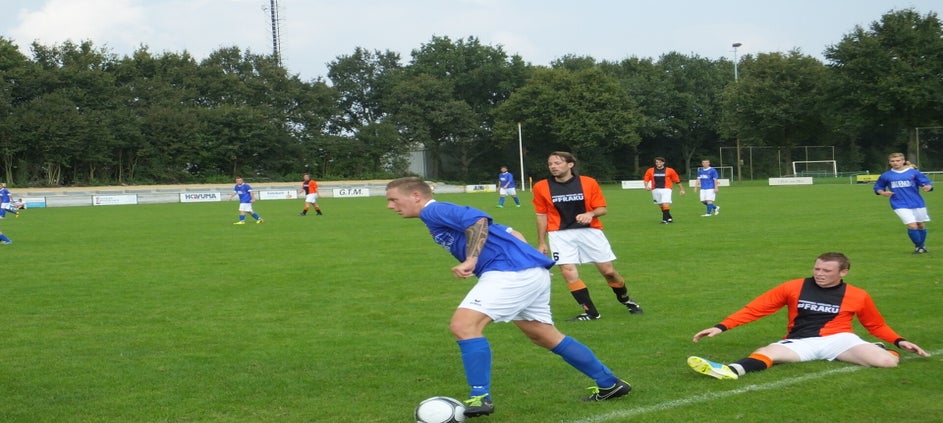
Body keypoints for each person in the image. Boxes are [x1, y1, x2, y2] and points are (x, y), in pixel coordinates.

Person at [385, 176, 632, 418]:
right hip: (525, 271)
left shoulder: (433, 210)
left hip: (508, 272)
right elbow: (513, 232)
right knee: (542, 334)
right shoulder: (433, 215)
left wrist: (471, 259)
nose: (390, 206)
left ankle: (480, 396)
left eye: (394, 199)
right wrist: (530, 263)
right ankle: (609, 383)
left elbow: (478, 220)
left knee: (463, 326)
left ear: (415, 196)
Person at [687, 252, 930, 380]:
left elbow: (875, 324)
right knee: (768, 352)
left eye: (827, 270)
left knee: (886, 363)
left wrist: (899, 341)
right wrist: (721, 326)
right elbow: (757, 308)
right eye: (816, 268)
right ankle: (730, 370)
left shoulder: (857, 295)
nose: (819, 273)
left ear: (843, 272)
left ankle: (879, 350)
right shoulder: (794, 287)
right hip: (801, 342)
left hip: (840, 340)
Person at [532, 151, 643, 321]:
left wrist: (590, 214)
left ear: (570, 164)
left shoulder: (588, 182)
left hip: (590, 231)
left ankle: (626, 299)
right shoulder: (541, 186)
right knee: (568, 272)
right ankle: (591, 312)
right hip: (559, 234)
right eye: (550, 164)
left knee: (608, 271)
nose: (553, 166)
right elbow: (541, 215)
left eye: (557, 163)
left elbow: (602, 209)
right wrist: (541, 241)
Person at [874, 152, 933, 254]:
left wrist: (928, 187)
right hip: (899, 204)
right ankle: (919, 247)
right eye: (892, 161)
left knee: (920, 225)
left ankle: (921, 247)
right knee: (912, 226)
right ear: (889, 162)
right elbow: (878, 187)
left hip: (917, 202)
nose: (895, 163)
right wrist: (883, 192)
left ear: (903, 161)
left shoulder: (914, 173)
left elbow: (926, 183)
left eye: (898, 160)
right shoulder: (886, 175)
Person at [643, 157, 686, 224]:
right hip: (655, 189)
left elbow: (677, 180)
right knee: (660, 204)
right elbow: (646, 179)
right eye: (657, 162)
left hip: (666, 189)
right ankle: (669, 218)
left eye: (660, 162)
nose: (658, 163)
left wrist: (682, 189)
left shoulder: (670, 170)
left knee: (665, 202)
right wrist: (646, 186)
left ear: (663, 163)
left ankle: (664, 220)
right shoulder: (650, 170)